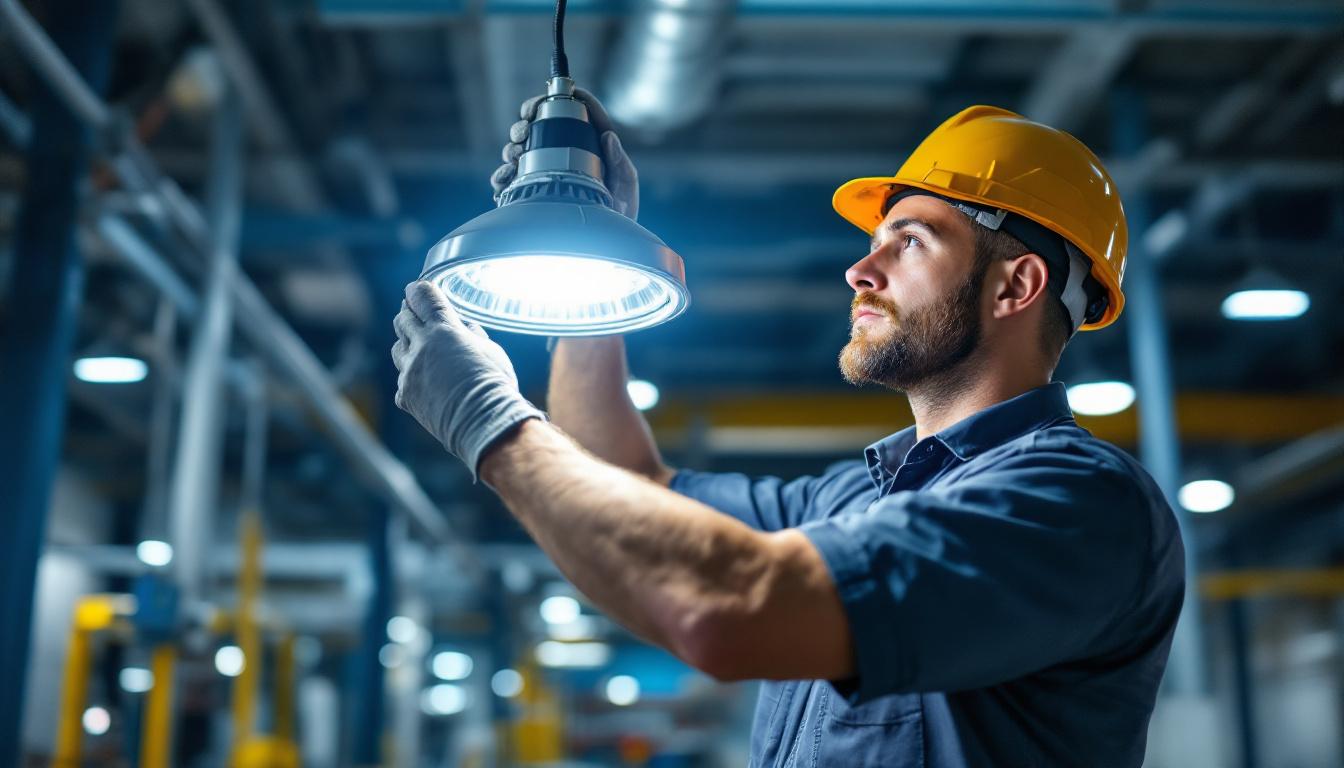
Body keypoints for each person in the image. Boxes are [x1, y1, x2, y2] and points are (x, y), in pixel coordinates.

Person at [391, 93, 1184, 767]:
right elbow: (620, 487)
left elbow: (727, 608)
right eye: (872, 244)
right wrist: (592, 244)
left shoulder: (1074, 503)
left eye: (909, 240)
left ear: (1017, 284)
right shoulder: (853, 500)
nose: (860, 272)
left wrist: (493, 426)